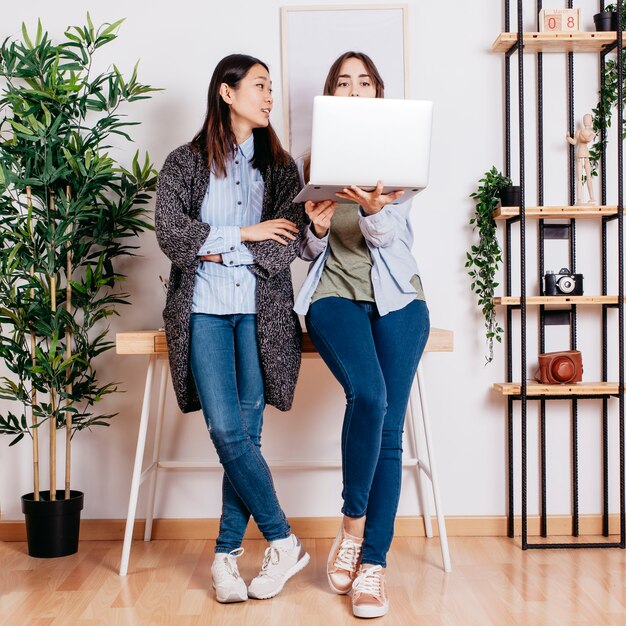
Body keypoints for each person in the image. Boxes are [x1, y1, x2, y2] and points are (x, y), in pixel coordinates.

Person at [155, 53, 308, 604]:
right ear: (227, 92)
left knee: (247, 438)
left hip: (261, 314)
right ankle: (283, 540)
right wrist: (245, 233)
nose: (270, 97)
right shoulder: (184, 162)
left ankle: (224, 558)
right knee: (227, 432)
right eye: (261, 86)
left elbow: (285, 243)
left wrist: (218, 247)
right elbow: (172, 234)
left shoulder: (282, 167)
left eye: (272, 88)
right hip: (201, 311)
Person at [295, 51, 430, 619]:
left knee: (390, 433)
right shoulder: (314, 161)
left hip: (399, 299)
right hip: (333, 298)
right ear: (332, 94)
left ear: (378, 92)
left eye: (364, 81)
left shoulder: (400, 157)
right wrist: (316, 227)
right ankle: (352, 523)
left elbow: (389, 237)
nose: (354, 90)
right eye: (343, 82)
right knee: (368, 395)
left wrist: (373, 210)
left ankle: (372, 564)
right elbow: (308, 251)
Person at [566, 113, 596, 205]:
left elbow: (586, 139)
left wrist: (583, 134)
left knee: (588, 177)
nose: (587, 121)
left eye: (589, 119)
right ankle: (579, 199)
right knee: (580, 178)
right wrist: (568, 138)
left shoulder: (590, 132)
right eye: (586, 119)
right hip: (580, 154)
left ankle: (592, 198)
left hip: (585, 154)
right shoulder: (581, 131)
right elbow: (575, 142)